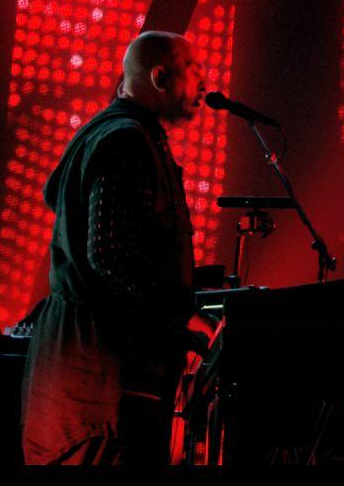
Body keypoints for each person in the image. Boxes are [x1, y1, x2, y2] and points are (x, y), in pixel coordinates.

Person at [19, 31, 211, 465]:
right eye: (195, 69)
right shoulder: (126, 141)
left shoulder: (114, 134)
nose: (205, 82)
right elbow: (109, 253)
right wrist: (183, 317)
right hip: (100, 383)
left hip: (84, 378)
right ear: (161, 77)